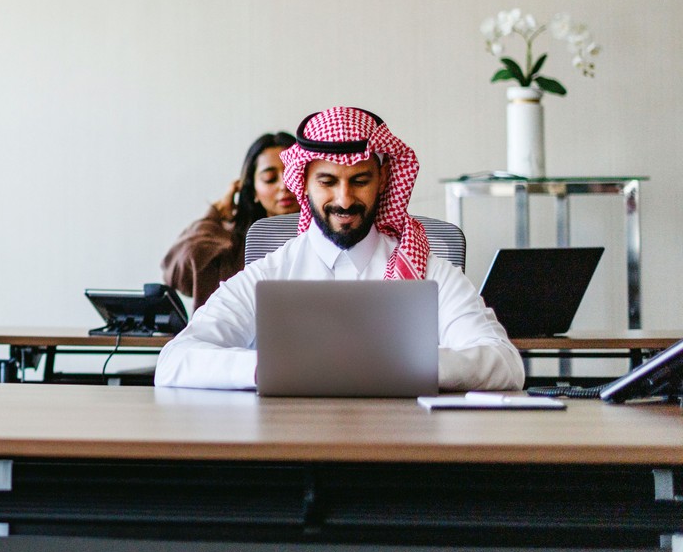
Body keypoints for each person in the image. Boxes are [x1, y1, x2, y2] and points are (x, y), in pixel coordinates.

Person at [156, 106, 523, 392]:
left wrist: (395, 366)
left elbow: (505, 363)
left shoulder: (428, 271)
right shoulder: (271, 273)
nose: (344, 200)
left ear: (382, 182)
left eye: (360, 181)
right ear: (303, 183)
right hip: (290, 450)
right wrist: (276, 367)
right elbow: (175, 360)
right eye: (328, 182)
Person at [161, 131, 299, 307]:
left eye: (293, 175)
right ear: (253, 191)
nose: (284, 186)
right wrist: (216, 213)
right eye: (269, 179)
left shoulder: (329, 236)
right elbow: (180, 273)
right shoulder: (231, 243)